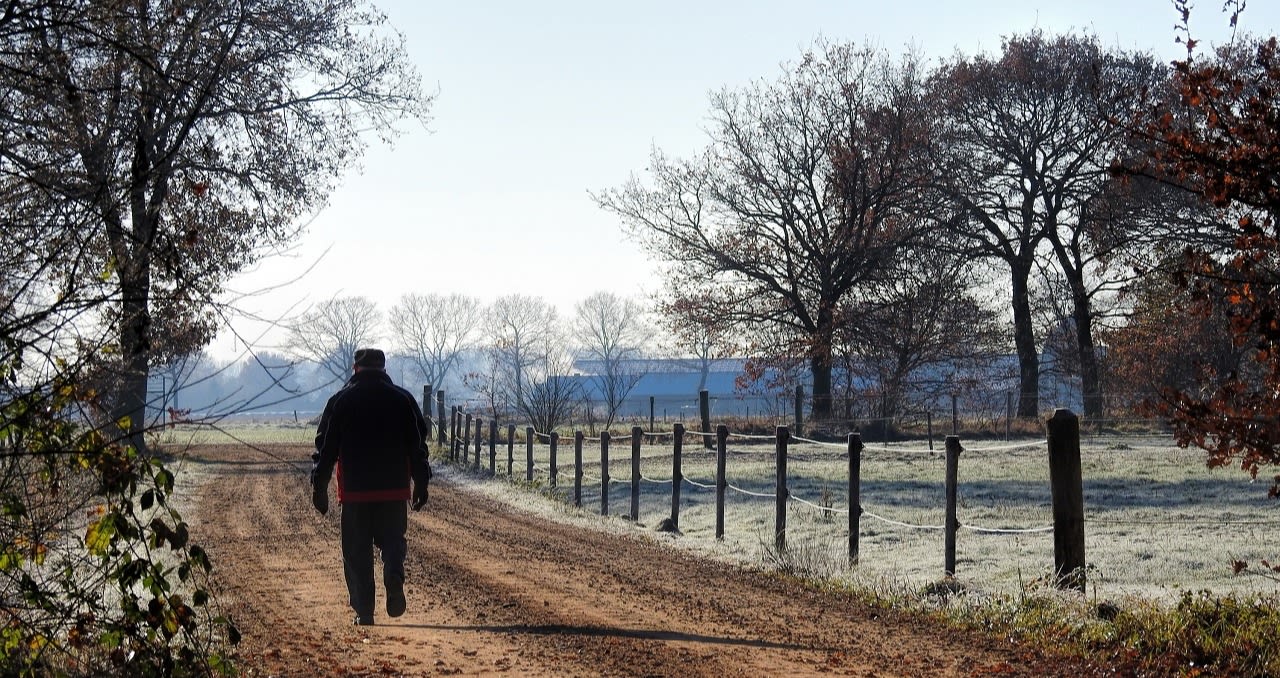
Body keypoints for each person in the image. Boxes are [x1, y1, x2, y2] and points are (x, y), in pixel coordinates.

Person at [311, 348, 432, 626]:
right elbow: (418, 446)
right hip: (394, 489)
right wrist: (421, 482)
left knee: (356, 550)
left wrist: (319, 485)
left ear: (355, 369)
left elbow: (326, 447)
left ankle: (365, 612)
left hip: (355, 491)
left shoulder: (340, 401)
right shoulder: (403, 401)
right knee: (393, 539)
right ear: (384, 369)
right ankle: (393, 571)